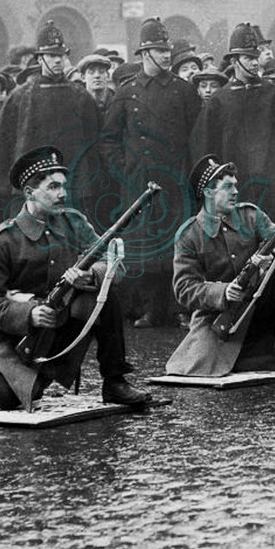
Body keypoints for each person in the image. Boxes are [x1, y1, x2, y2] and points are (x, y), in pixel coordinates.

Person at [0, 146, 152, 410]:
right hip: (14, 338)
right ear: (30, 193)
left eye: (63, 186)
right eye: (53, 187)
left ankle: (115, 380)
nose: (63, 194)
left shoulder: (74, 223)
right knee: (4, 399)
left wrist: (90, 276)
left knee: (105, 291)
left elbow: (114, 267)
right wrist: (29, 313)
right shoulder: (3, 239)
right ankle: (33, 378)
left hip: (63, 328)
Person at [164, 154, 275, 377]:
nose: (236, 192)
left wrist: (271, 259)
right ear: (208, 192)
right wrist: (223, 292)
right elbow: (184, 289)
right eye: (228, 187)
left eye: (235, 186)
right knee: (209, 364)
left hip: (261, 308)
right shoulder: (189, 235)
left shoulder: (250, 215)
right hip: (222, 320)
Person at [100, 18, 201, 328]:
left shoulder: (184, 91)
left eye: (167, 49)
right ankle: (150, 308)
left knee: (177, 245)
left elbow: (197, 137)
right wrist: (126, 170)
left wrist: (189, 176)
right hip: (139, 184)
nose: (167, 55)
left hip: (176, 181)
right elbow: (108, 141)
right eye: (159, 49)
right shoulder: (126, 93)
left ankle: (180, 307)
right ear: (144, 53)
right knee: (144, 247)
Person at [0, 21, 107, 224]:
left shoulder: (80, 96)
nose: (58, 61)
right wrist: (4, 187)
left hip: (73, 188)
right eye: (52, 56)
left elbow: (96, 143)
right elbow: (2, 145)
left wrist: (94, 183)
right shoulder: (21, 96)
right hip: (31, 189)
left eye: (61, 55)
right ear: (40, 58)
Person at [190, 23, 275, 220]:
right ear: (234, 61)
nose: (254, 63)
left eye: (255, 57)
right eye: (248, 58)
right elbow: (204, 149)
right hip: (234, 189)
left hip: (274, 189)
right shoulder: (220, 101)